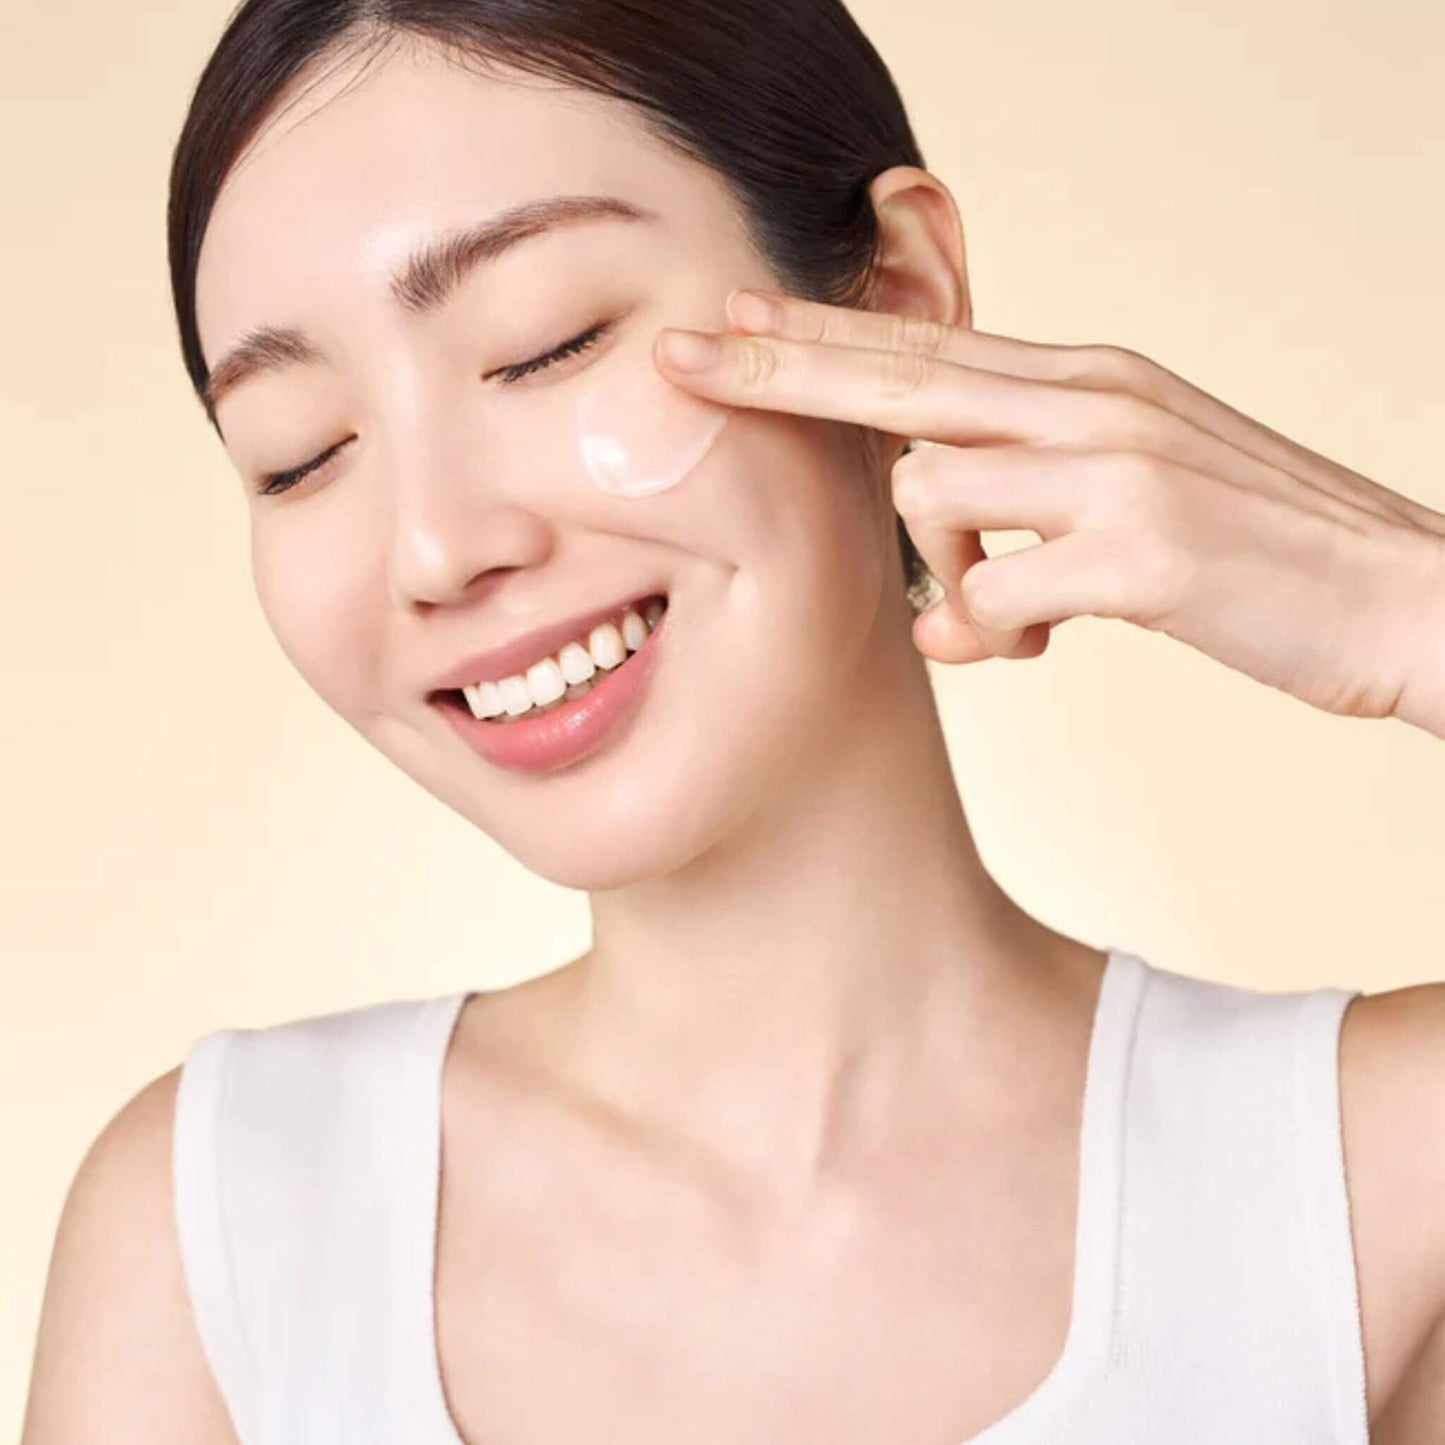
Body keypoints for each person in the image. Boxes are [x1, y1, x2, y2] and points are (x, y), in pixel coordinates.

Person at [22, 2, 1445, 1441]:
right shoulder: (221, 1232)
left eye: (545, 343)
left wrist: (1399, 606)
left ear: (898, 297)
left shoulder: (1373, 1188)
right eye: (298, 455)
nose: (435, 548)